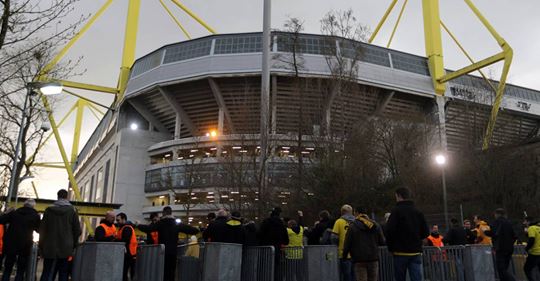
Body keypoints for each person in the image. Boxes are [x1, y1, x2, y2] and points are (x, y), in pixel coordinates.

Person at [136, 206, 199, 281]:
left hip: (162, 252)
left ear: (163, 213)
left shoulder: (160, 223)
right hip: (173, 252)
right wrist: (197, 229)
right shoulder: (176, 224)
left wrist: (138, 225)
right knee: (171, 272)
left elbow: (149, 229)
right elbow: (191, 230)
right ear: (171, 213)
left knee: (162, 272)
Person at [385, 187, 429, 281]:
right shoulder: (418, 212)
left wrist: (391, 248)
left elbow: (389, 231)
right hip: (415, 251)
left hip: (400, 251)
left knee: (400, 277)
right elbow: (425, 232)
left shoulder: (396, 211)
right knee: (417, 277)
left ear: (399, 196)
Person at [39, 189, 82, 281]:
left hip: (49, 246)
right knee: (63, 272)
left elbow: (42, 229)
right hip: (66, 246)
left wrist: (42, 245)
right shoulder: (72, 210)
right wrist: (73, 244)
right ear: (67, 197)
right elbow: (77, 230)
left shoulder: (48, 210)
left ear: (57, 196)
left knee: (47, 271)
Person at [0, 199, 40, 281]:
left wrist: (6, 212)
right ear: (33, 206)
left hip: (11, 243)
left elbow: (1, 220)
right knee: (20, 270)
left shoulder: (14, 213)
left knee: (8, 268)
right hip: (25, 245)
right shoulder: (35, 215)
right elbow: (38, 230)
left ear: (24, 205)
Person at [342, 207, 385, 281]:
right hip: (373, 258)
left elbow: (347, 243)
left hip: (359, 260)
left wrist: (344, 257)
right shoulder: (375, 225)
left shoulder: (352, 226)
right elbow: (382, 241)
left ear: (356, 213)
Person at [259, 207, 289, 281]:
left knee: (265, 269)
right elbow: (286, 240)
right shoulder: (282, 224)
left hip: (266, 249)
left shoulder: (266, 221)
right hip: (277, 250)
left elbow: (260, 234)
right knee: (276, 269)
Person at [490, 208, 517, 281]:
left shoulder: (497, 222)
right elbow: (515, 236)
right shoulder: (509, 222)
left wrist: (486, 232)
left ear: (497, 214)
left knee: (501, 269)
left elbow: (494, 233)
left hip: (500, 248)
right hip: (509, 249)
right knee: (505, 268)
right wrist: (510, 243)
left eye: (495, 214)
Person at [332, 204, 356, 281]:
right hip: (356, 254)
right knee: (355, 276)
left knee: (346, 276)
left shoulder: (339, 222)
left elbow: (334, 238)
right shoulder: (356, 222)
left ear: (342, 212)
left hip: (343, 253)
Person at [116, 213, 137, 281]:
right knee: (127, 273)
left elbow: (125, 240)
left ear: (123, 219)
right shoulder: (124, 227)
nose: (117, 222)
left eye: (118, 220)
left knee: (125, 273)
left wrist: (115, 240)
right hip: (130, 254)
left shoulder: (126, 228)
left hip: (129, 254)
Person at [524, 216, 540, 281]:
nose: (524, 223)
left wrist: (527, 248)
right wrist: (526, 233)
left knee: (526, 269)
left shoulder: (531, 228)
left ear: (528, 222)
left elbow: (532, 240)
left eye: (525, 221)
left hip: (534, 253)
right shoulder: (538, 227)